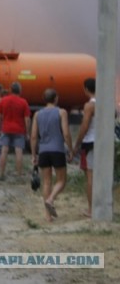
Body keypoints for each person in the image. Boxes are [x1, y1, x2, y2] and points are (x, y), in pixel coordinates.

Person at [30, 88, 73, 221]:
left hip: (43, 151)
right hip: (57, 150)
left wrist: (33, 154)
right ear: (56, 98)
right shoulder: (62, 112)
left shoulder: (37, 114)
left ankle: (48, 216)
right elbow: (66, 133)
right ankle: (51, 199)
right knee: (61, 180)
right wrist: (70, 149)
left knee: (46, 182)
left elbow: (33, 136)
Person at [0, 81, 31, 179]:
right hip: (19, 130)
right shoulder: (23, 102)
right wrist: (27, 132)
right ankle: (19, 174)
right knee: (18, 152)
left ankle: (1, 173)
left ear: (11, 90)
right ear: (19, 90)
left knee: (4, 151)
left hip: (6, 128)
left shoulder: (3, 100)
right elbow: (27, 119)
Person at [73, 77, 96, 218]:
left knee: (90, 177)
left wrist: (77, 143)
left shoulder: (89, 105)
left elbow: (85, 125)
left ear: (86, 89)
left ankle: (91, 209)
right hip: (105, 142)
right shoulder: (107, 102)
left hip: (91, 142)